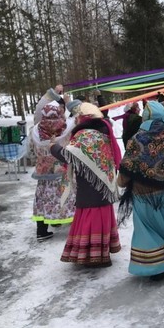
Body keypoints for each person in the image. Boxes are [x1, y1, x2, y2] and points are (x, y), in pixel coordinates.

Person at [117, 101, 164, 280]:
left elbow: (129, 165)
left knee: (148, 229)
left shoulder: (139, 138)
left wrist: (121, 181)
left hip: (143, 193)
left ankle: (158, 265)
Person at [50, 102, 122, 267]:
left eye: (77, 117)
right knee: (100, 213)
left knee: (91, 215)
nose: (76, 120)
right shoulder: (103, 131)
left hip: (89, 186)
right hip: (103, 183)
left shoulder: (86, 135)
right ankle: (101, 251)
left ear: (83, 117)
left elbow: (69, 155)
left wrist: (54, 147)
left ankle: (92, 255)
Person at [29, 102, 76, 240]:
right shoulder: (66, 127)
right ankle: (73, 228)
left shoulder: (35, 130)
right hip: (63, 171)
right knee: (67, 196)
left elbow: (30, 151)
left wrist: (39, 159)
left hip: (43, 173)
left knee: (44, 198)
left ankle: (42, 230)